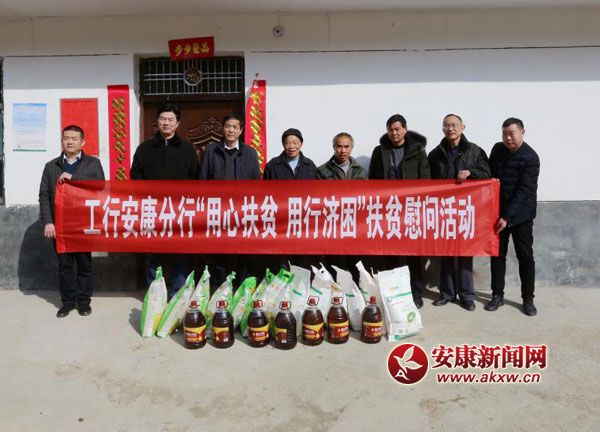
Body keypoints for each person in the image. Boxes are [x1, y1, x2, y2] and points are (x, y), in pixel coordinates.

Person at [130, 103, 199, 299]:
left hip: (179, 210)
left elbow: (195, 177)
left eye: (170, 120)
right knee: (153, 254)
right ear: (157, 122)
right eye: (162, 119)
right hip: (152, 209)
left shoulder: (187, 149)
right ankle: (155, 294)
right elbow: (135, 175)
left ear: (177, 123)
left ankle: (178, 294)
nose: (166, 123)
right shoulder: (144, 148)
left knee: (180, 254)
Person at [39, 125, 105, 317]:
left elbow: (100, 185)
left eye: (74, 138)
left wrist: (74, 178)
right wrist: (48, 221)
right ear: (62, 141)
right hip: (60, 225)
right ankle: (67, 302)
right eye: (66, 138)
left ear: (82, 142)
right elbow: (44, 195)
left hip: (84, 223)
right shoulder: (51, 166)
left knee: (84, 265)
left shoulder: (93, 163)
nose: (69, 142)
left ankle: (84, 302)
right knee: (65, 266)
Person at [428, 114, 491, 311]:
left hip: (466, 210)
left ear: (463, 127)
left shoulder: (475, 151)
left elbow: (488, 174)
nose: (451, 128)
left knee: (465, 253)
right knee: (445, 253)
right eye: (447, 125)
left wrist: (471, 172)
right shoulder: (435, 154)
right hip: (444, 210)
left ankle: (466, 295)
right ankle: (447, 293)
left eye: (454, 125)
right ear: (443, 129)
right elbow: (428, 182)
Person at [368, 114, 430, 308]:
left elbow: (426, 179)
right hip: (388, 209)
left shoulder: (418, 151)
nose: (394, 133)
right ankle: (394, 290)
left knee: (413, 253)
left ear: (405, 129)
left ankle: (415, 291)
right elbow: (372, 179)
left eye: (397, 129)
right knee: (391, 252)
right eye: (391, 130)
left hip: (411, 209)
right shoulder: (380, 151)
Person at [198, 114, 260, 289]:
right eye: (227, 126)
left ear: (240, 130)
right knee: (219, 251)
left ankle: (242, 289)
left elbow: (256, 183)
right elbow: (203, 179)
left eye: (235, 127)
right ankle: (220, 289)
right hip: (218, 210)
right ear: (222, 128)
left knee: (243, 251)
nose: (231, 130)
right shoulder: (211, 150)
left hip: (242, 210)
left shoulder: (250, 152)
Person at [486, 117, 540, 316]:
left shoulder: (530, 157)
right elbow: (488, 174)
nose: (508, 138)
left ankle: (528, 299)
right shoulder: (498, 150)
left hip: (521, 216)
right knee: (497, 255)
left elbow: (525, 190)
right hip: (497, 213)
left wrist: (508, 217)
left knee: (525, 257)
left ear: (522, 132)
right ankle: (497, 295)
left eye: (512, 134)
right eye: (504, 134)